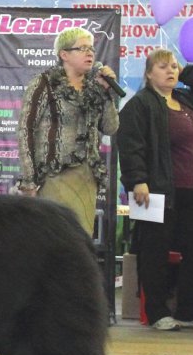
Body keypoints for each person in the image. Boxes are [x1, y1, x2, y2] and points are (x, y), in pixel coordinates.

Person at [118, 49, 193, 331]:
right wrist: (137, 180)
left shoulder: (186, 99)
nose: (171, 71)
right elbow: (130, 144)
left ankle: (188, 309)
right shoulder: (140, 104)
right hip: (159, 192)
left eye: (174, 67)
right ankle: (156, 311)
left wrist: (189, 72)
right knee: (155, 251)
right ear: (148, 73)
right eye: (163, 66)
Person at [16, 27, 120, 236]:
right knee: (55, 238)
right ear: (64, 54)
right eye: (82, 48)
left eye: (91, 48)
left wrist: (106, 92)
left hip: (87, 176)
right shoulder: (44, 83)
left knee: (81, 239)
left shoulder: (94, 86)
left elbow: (111, 127)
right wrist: (28, 180)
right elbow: (25, 130)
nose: (89, 53)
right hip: (54, 176)